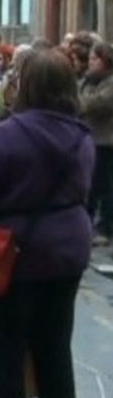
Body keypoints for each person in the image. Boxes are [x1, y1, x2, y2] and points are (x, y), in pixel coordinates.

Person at [0, 50, 93, 398]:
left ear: (27, 85)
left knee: (5, 353)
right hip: (69, 248)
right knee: (55, 350)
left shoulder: (9, 133)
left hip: (17, 253)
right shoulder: (81, 135)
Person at [79, 40, 113, 246]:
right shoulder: (89, 80)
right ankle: (86, 225)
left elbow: (94, 104)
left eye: (95, 59)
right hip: (91, 139)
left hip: (106, 141)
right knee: (90, 186)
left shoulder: (110, 83)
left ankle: (105, 228)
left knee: (106, 188)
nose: (90, 62)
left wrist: (85, 97)